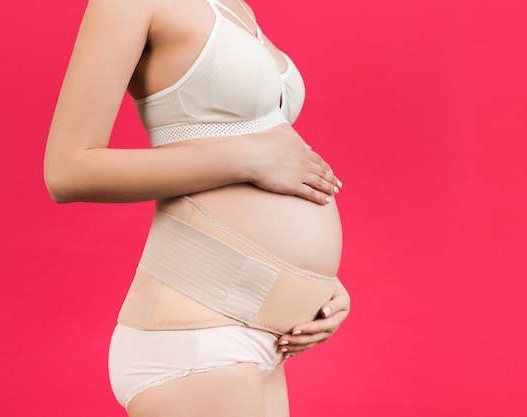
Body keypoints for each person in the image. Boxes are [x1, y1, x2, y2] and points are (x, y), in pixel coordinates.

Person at [44, 0, 350, 416]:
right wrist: (248, 160)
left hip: (261, 339)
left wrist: (315, 289)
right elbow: (67, 170)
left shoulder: (235, 6)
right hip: (198, 335)